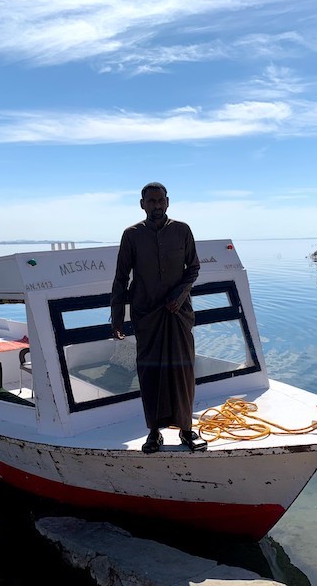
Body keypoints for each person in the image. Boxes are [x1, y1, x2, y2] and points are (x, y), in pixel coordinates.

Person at [110, 182, 206, 453]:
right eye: (150, 201)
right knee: (150, 371)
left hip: (179, 314)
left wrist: (180, 293)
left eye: (160, 200)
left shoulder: (182, 230)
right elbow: (121, 278)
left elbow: (194, 268)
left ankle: (187, 430)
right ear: (142, 204)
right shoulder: (131, 235)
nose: (156, 206)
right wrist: (117, 318)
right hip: (146, 315)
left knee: (183, 370)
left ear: (168, 201)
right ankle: (154, 431)